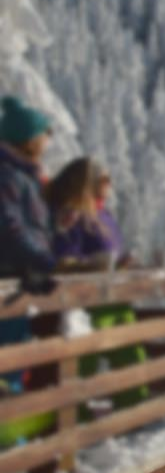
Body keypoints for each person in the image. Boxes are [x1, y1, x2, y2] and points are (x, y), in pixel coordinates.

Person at [44, 157, 149, 415]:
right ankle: (76, 420)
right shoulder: (71, 216)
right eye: (104, 179)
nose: (110, 184)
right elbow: (61, 262)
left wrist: (122, 265)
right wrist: (92, 267)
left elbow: (109, 256)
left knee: (131, 356)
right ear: (86, 183)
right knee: (83, 365)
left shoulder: (104, 215)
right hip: (84, 306)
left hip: (113, 301)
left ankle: (135, 412)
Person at [0, 96, 57, 446]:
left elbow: (35, 228)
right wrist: (42, 261)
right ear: (28, 140)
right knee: (8, 367)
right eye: (43, 137)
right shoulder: (6, 175)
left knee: (18, 364)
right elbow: (11, 229)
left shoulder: (25, 175)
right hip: (9, 282)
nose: (48, 144)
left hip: (21, 280)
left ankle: (16, 449)